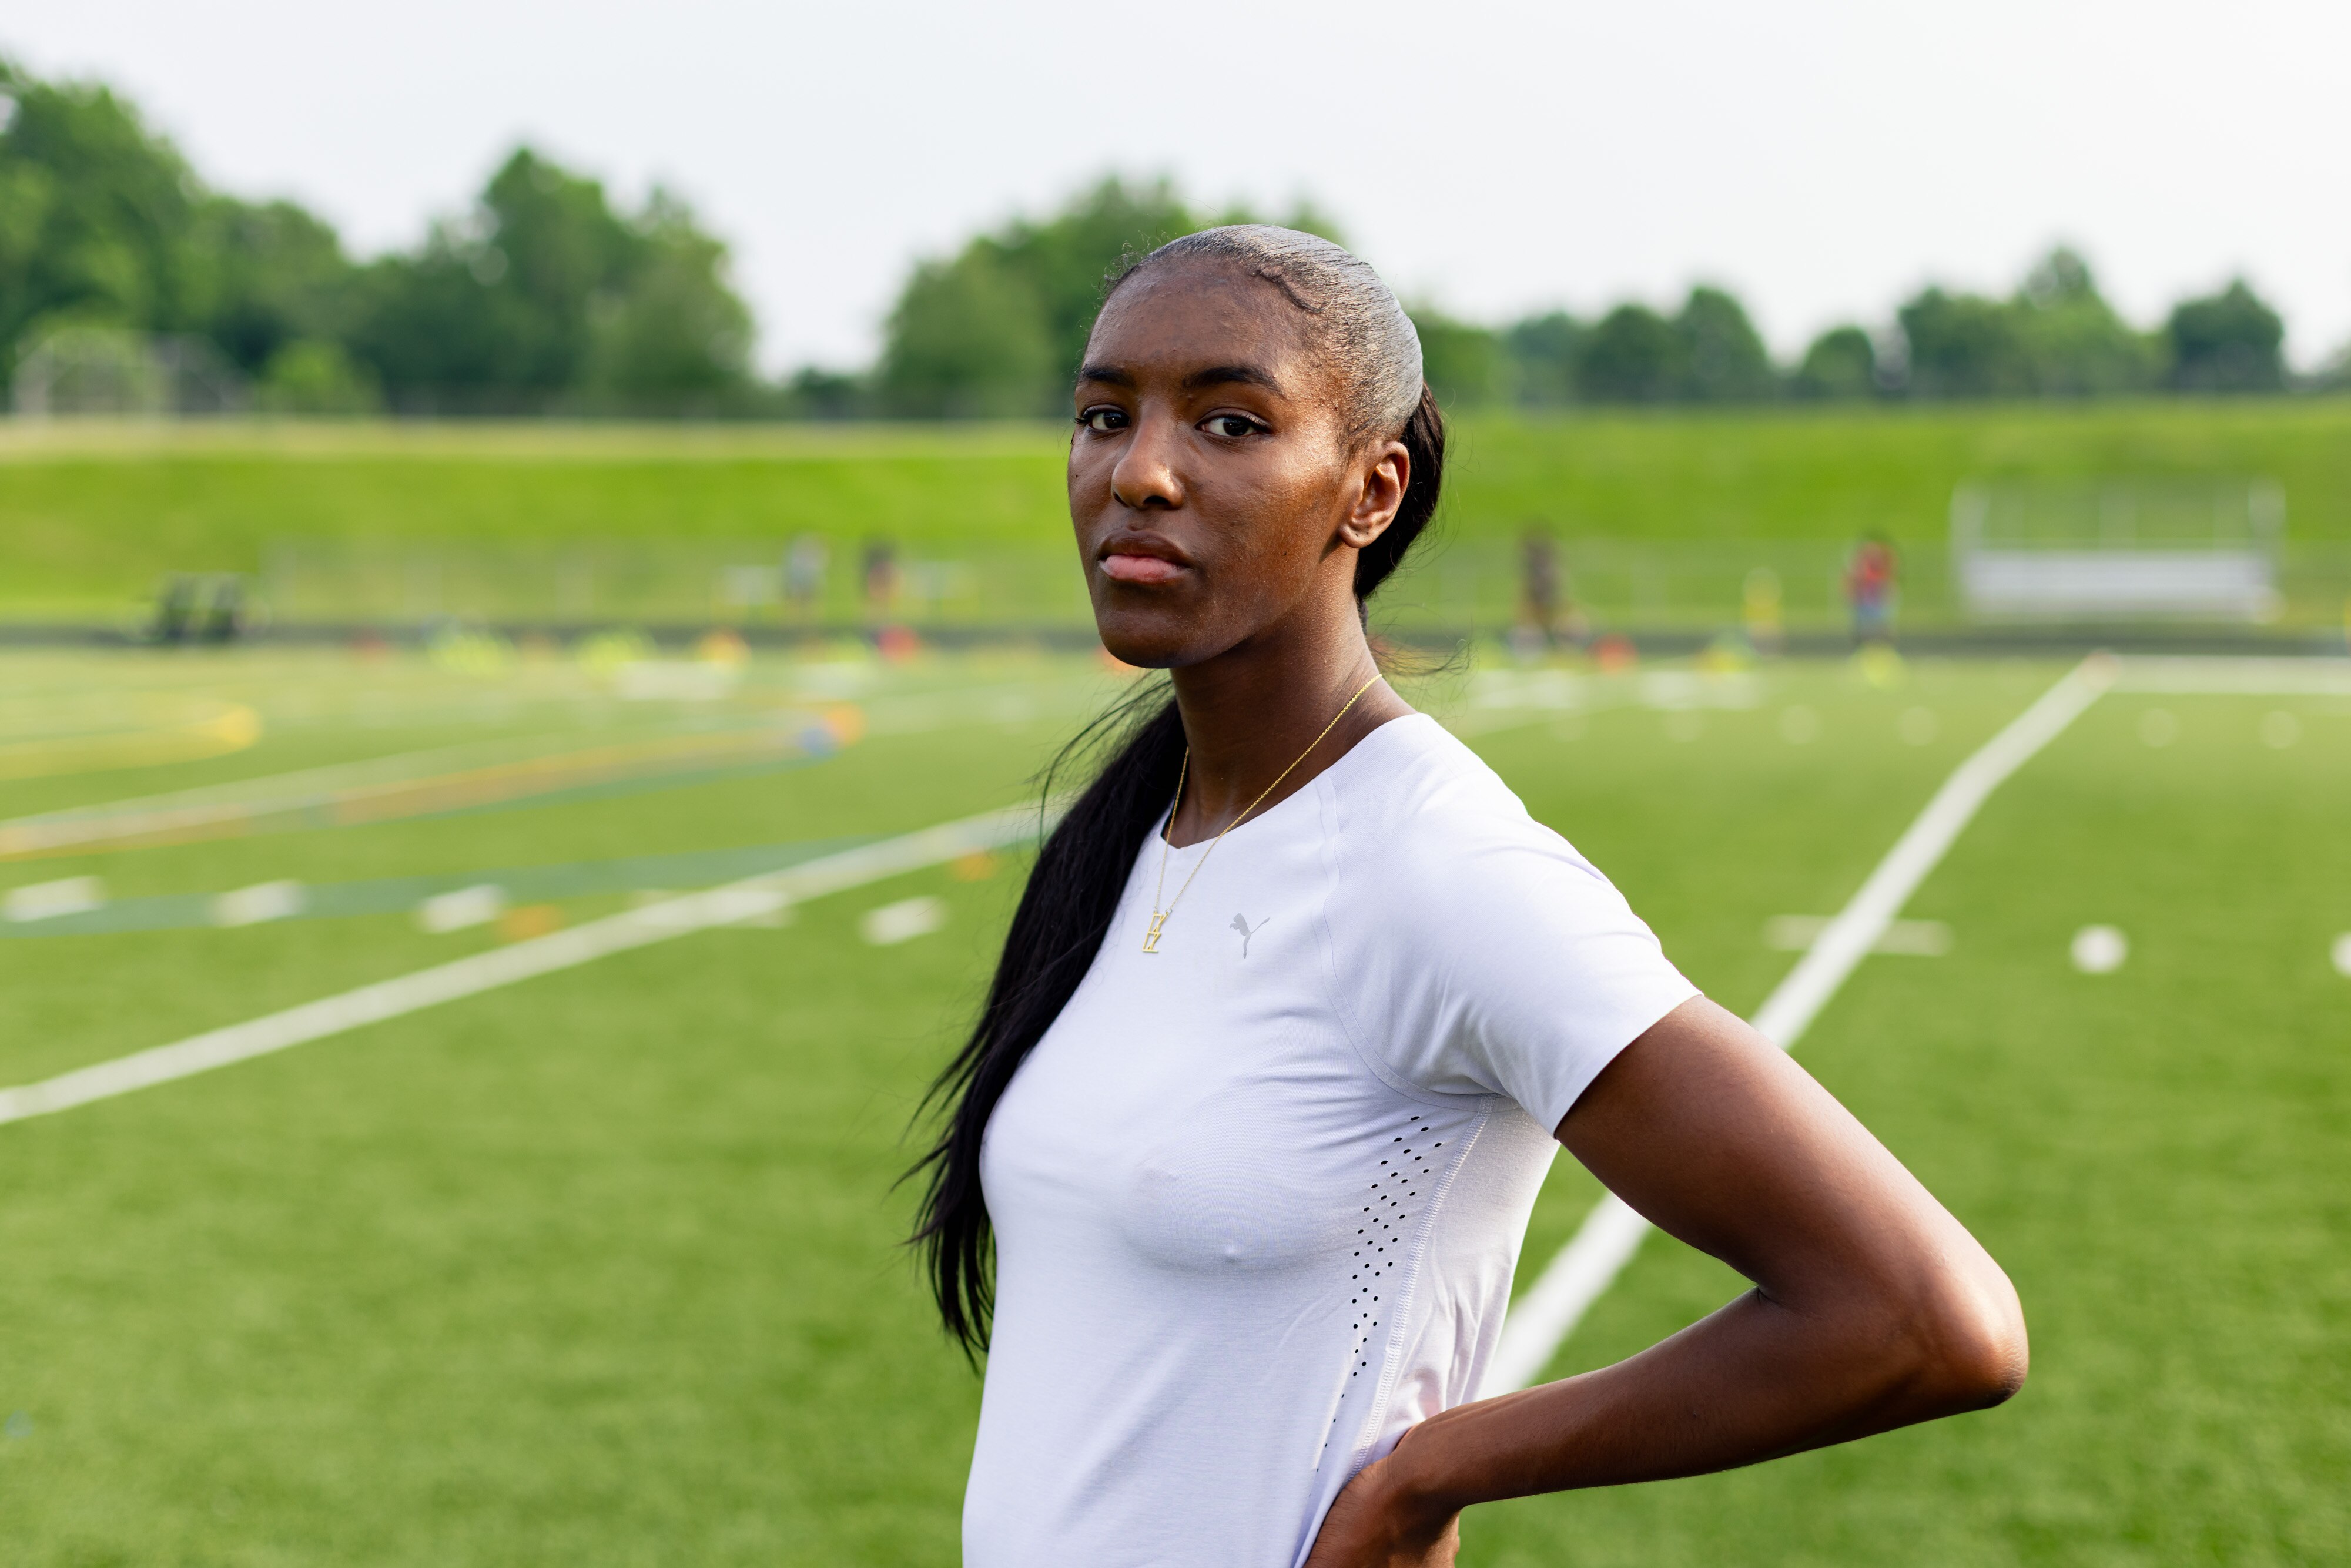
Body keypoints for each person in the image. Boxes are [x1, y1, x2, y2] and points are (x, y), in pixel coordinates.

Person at [911, 226, 2025, 1568]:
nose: (1138, 470)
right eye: (1103, 414)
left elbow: (1923, 1314)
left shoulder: (1436, 866)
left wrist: (1428, 1471)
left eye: (1227, 420)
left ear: (1368, 491)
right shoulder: (1141, 826)